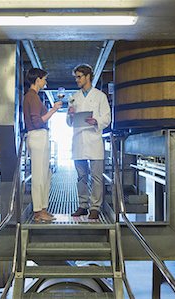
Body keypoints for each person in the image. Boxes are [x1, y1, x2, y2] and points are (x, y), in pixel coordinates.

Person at [67, 64, 111, 219]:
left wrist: (96, 121)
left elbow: (107, 118)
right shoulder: (73, 97)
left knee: (97, 177)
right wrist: (71, 115)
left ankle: (95, 207)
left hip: (94, 140)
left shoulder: (100, 96)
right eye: (76, 77)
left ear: (88, 77)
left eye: (79, 77)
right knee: (81, 176)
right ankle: (82, 205)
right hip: (79, 140)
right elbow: (68, 122)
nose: (77, 80)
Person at [23, 68, 62, 222]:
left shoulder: (34, 97)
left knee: (45, 174)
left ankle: (43, 209)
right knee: (39, 175)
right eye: (44, 79)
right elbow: (37, 121)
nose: (45, 82)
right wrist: (53, 110)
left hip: (40, 137)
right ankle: (38, 211)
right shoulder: (31, 97)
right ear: (37, 80)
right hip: (37, 136)